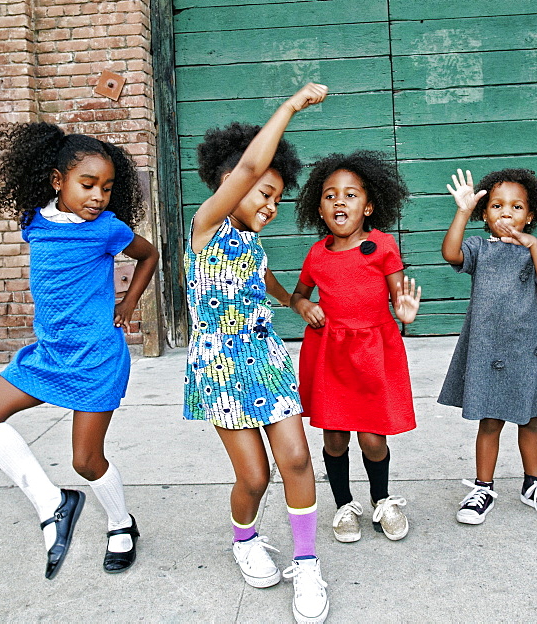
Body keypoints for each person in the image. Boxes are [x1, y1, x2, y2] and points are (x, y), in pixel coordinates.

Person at [0, 122, 159, 578]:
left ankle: (121, 523)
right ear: (57, 181)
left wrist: (129, 301)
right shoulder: (35, 220)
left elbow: (149, 256)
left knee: (86, 460)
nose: (98, 197)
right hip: (49, 355)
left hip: (95, 360)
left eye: (107, 188)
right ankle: (53, 503)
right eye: (87, 185)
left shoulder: (106, 229)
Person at [184, 83, 330, 624]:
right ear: (228, 185)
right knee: (254, 479)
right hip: (218, 368)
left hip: (264, 359)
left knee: (295, 459)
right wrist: (289, 107)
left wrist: (291, 297)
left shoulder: (248, 237)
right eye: (262, 192)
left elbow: (258, 272)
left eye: (276, 198)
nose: (269, 205)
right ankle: (244, 539)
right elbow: (248, 169)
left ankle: (307, 563)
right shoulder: (206, 226)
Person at [290, 151, 421, 544]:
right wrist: (305, 306)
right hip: (330, 353)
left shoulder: (381, 245)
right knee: (334, 437)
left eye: (350, 195)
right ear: (319, 207)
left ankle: (382, 499)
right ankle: (344, 504)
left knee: (372, 438)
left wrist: (405, 311)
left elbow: (400, 297)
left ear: (368, 206)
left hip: (373, 351)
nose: (339, 202)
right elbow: (298, 295)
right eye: (330, 196)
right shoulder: (317, 254)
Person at [438, 168, 537, 525]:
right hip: (487, 347)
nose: (506, 213)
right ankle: (483, 487)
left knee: (530, 419)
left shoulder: (534, 249)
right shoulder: (480, 248)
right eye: (497, 206)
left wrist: (533, 245)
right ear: (486, 214)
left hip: (527, 347)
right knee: (490, 420)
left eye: (516, 207)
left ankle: (534, 485)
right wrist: (463, 211)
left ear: (529, 216)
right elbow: (450, 253)